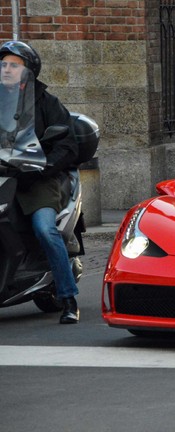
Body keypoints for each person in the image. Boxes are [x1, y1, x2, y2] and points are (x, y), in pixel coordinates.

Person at [0, 41, 80, 324]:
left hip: (36, 180)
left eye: (14, 65)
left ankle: (69, 297)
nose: (7, 69)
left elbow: (68, 145)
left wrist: (43, 167)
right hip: (2, 178)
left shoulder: (46, 102)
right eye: (4, 64)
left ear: (29, 71)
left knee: (45, 230)